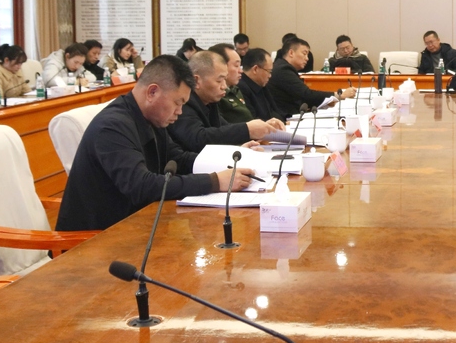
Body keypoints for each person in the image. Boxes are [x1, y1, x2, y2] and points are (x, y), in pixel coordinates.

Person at [55, 55, 255, 232]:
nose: (179, 111)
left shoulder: (150, 117)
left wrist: (227, 161)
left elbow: (178, 158)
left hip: (137, 226)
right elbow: (141, 186)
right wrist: (214, 181)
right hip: (94, 240)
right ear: (152, 92)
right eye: (177, 103)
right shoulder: (112, 127)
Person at [167, 50, 281, 153]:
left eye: (225, 80)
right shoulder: (184, 102)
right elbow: (197, 139)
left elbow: (223, 130)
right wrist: (247, 130)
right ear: (196, 81)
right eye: (219, 81)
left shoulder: (210, 101)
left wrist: (260, 129)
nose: (224, 86)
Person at [269, 36, 356, 117]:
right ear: (291, 53)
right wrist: (339, 95)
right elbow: (306, 95)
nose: (307, 58)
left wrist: (328, 101)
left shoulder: (283, 67)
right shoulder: (283, 70)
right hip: (286, 118)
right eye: (304, 53)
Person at [209, 42, 286, 129]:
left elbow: (248, 119)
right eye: (236, 65)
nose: (241, 71)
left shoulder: (235, 89)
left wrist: (265, 125)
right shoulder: (215, 95)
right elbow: (223, 129)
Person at [238, 48, 285, 122]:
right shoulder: (241, 88)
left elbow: (273, 111)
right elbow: (251, 120)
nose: (270, 76)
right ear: (255, 69)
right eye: (269, 71)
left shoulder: (261, 84)